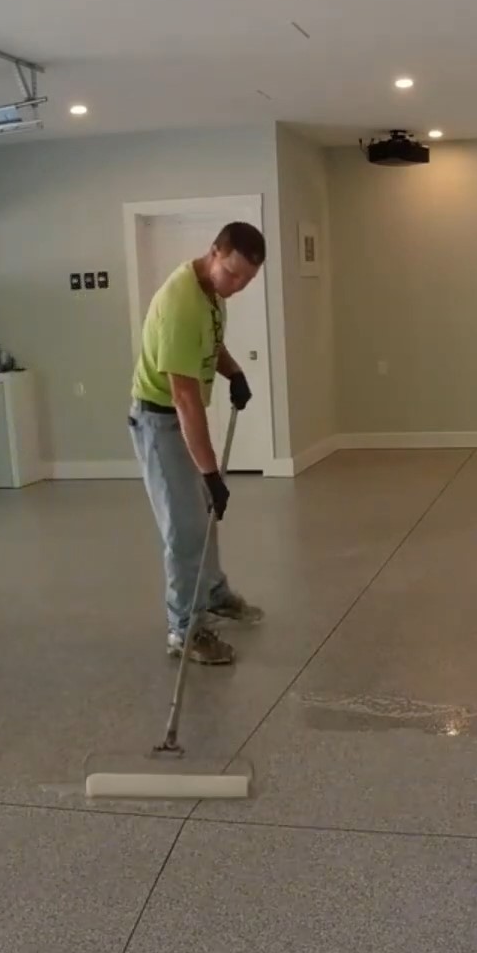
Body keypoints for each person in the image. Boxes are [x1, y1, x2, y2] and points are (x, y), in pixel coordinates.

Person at [128, 221, 268, 665]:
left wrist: (234, 372)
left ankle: (213, 593)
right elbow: (184, 398)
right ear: (214, 252)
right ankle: (184, 629)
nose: (237, 286)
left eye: (247, 279)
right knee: (185, 528)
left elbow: (209, 344)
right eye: (233, 274)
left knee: (203, 515)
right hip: (160, 421)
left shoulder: (211, 293)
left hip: (179, 418)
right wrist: (210, 473)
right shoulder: (180, 302)